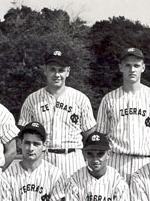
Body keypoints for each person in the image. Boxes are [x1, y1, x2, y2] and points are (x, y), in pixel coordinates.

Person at [19, 50, 97, 178]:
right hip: (43, 158)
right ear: (45, 70)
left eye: (61, 70)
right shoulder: (32, 100)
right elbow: (23, 135)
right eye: (52, 70)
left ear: (68, 71)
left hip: (72, 159)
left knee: (72, 197)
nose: (57, 74)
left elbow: (90, 135)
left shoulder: (80, 99)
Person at [97, 47, 150, 182]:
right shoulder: (109, 99)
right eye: (128, 65)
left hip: (146, 160)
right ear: (121, 67)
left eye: (136, 65)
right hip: (117, 160)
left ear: (143, 68)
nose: (132, 69)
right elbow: (101, 136)